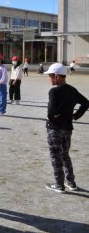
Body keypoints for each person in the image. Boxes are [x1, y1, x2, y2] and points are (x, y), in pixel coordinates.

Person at [43, 63, 88, 193]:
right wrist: (75, 116)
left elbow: (51, 111)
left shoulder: (54, 91)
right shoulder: (72, 90)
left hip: (54, 129)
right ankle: (71, 183)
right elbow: (86, 103)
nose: (49, 79)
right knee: (65, 155)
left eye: (51, 76)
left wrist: (52, 118)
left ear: (57, 76)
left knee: (55, 156)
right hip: (67, 128)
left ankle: (59, 185)